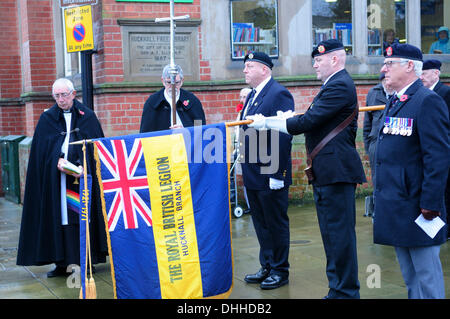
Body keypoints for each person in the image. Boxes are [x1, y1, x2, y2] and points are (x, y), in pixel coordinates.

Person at [248, 40, 366, 299]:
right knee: (331, 237)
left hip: (337, 171)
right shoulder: (332, 85)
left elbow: (308, 121)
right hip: (327, 171)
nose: (314, 65)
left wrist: (268, 122)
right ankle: (337, 290)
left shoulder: (339, 85)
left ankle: (345, 292)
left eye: (318, 60)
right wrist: (280, 119)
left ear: (334, 60)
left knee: (339, 237)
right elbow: (311, 119)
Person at [374, 43, 448, 298]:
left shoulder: (428, 101)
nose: (384, 69)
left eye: (389, 64)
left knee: (427, 278)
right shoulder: (396, 99)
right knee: (410, 278)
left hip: (418, 206)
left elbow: (437, 158)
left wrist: (431, 203)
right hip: (396, 203)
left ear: (409, 66)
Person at [17, 78, 108, 277]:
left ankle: (86, 261)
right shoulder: (47, 118)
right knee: (60, 218)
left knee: (82, 217)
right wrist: (56, 161)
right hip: (57, 181)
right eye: (56, 96)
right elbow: (41, 152)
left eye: (64, 95)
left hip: (81, 180)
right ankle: (61, 263)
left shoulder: (88, 116)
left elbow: (97, 148)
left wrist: (84, 167)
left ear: (73, 94)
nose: (60, 99)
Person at [239, 52, 295, 290]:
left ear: (264, 69)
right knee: (261, 223)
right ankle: (268, 265)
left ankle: (280, 270)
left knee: (275, 222)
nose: (244, 70)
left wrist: (277, 173)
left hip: (270, 171)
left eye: (249, 66)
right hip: (253, 171)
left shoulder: (278, 94)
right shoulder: (253, 95)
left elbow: (283, 135)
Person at [420, 59, 450, 239]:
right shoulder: (422, 93)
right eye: (420, 73)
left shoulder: (445, 93)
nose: (421, 77)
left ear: (436, 73)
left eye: (425, 73)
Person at [363, 73, 394, 217]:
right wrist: (368, 147)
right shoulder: (373, 93)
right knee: (378, 181)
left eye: (389, 80)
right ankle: (379, 215)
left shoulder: (401, 95)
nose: (387, 84)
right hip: (375, 143)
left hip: (394, 144)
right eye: (384, 81)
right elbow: (367, 123)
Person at [139, 64, 206, 133]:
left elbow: (201, 130)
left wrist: (186, 131)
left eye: (176, 83)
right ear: (162, 81)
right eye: (168, 82)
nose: (172, 87)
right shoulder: (152, 102)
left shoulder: (192, 100)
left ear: (182, 81)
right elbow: (145, 133)